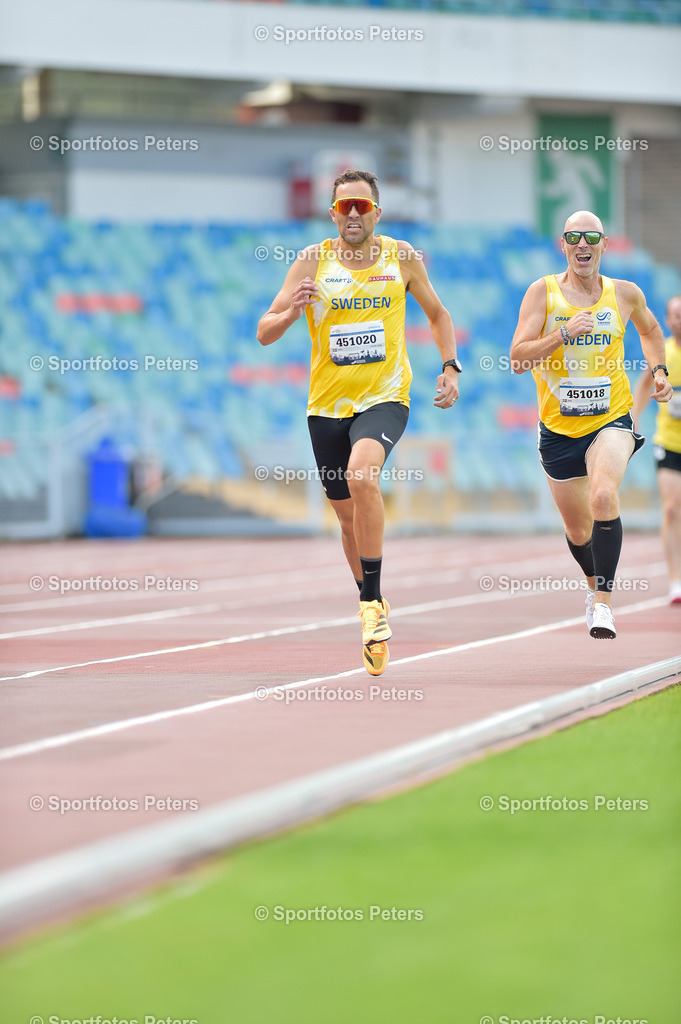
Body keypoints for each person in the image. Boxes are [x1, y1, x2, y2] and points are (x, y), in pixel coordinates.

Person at [257, 169, 461, 675]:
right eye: (344, 206)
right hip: (325, 408)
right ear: (332, 213)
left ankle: (371, 608)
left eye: (361, 206)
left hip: (385, 397)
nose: (353, 214)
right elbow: (264, 331)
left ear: (376, 212)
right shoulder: (311, 261)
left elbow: (437, 314)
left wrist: (450, 366)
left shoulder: (403, 258)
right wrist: (291, 313)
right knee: (347, 520)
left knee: (362, 474)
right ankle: (369, 595)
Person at [510, 211, 673, 638]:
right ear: (563, 245)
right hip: (559, 430)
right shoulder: (542, 294)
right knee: (579, 529)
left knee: (603, 494)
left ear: (604, 245)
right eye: (574, 237)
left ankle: (604, 604)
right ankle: (592, 585)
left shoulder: (625, 294)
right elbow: (517, 359)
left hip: (611, 420)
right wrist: (561, 335)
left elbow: (652, 331)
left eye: (592, 238)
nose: (583, 245)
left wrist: (659, 373)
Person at [632, 295, 681, 605]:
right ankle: (676, 581)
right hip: (669, 442)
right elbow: (642, 384)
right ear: (668, 320)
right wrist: (633, 421)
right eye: (677, 315)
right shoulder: (664, 354)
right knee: (671, 509)